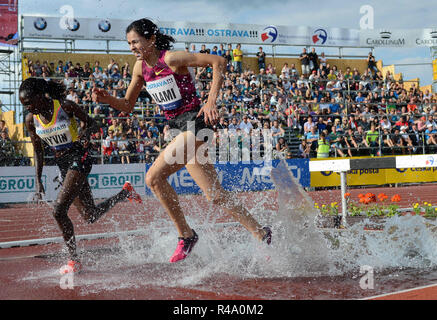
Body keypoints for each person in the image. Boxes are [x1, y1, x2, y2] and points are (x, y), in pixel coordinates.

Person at [92, 18, 271, 263]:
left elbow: (219, 61)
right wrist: (107, 100)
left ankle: (186, 235)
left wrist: (210, 101)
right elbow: (127, 105)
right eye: (129, 43)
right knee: (215, 195)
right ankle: (261, 232)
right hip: (179, 131)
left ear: (151, 40)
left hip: (196, 125)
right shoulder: (139, 69)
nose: (131, 47)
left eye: (135, 42)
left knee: (153, 178)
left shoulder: (172, 59)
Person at [19, 77, 142, 274]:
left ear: (40, 96)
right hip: (63, 164)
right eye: (24, 105)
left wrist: (85, 135)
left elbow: (94, 124)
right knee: (90, 215)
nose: (27, 108)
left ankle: (74, 261)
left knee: (59, 210)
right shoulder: (30, 120)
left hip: (79, 156)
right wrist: (38, 181)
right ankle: (124, 193)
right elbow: (38, 151)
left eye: (29, 102)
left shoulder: (65, 107)